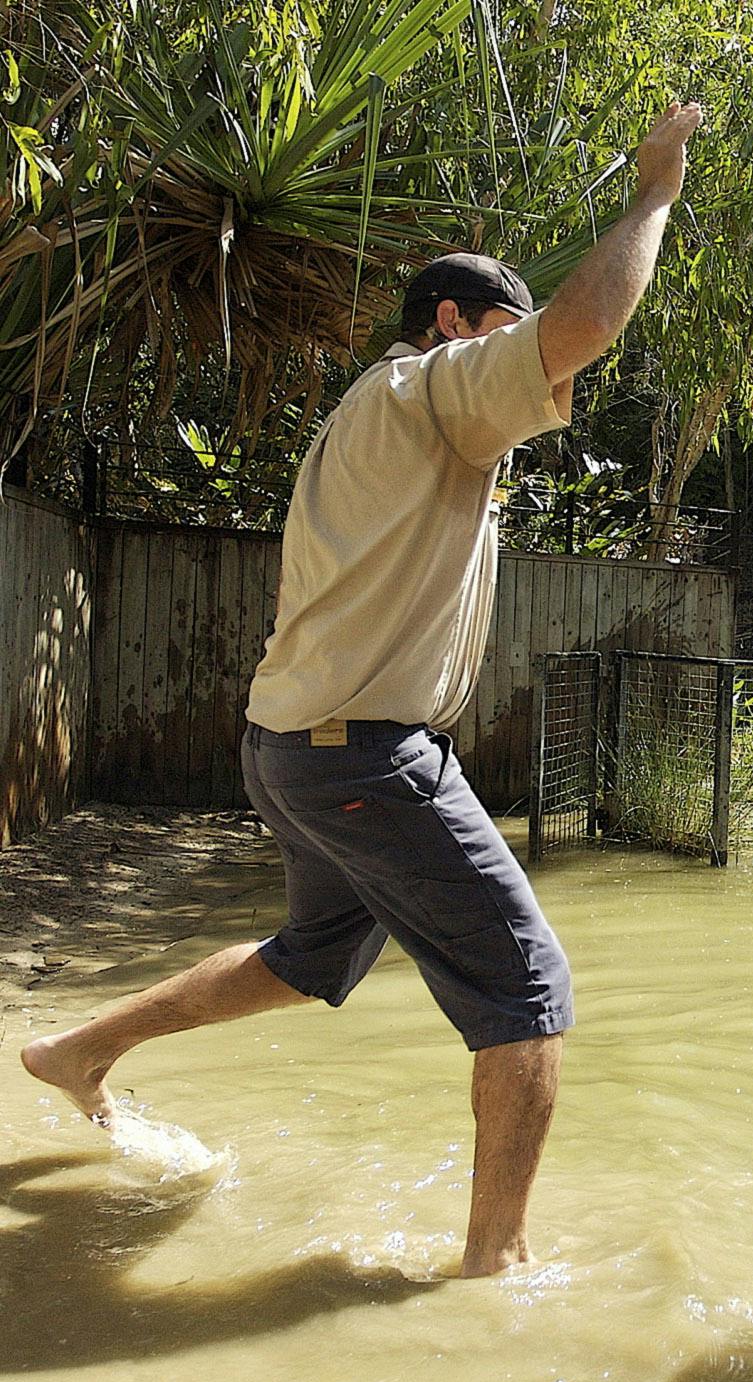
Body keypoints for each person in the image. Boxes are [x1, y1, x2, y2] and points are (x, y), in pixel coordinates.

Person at [20, 102, 706, 1278]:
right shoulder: (429, 392)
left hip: (294, 746)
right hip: (360, 756)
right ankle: (494, 1273)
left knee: (305, 960)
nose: (525, 361)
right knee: (527, 989)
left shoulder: (381, 418)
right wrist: (652, 198)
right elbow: (585, 326)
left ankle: (79, 1050)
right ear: (450, 326)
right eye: (501, 329)